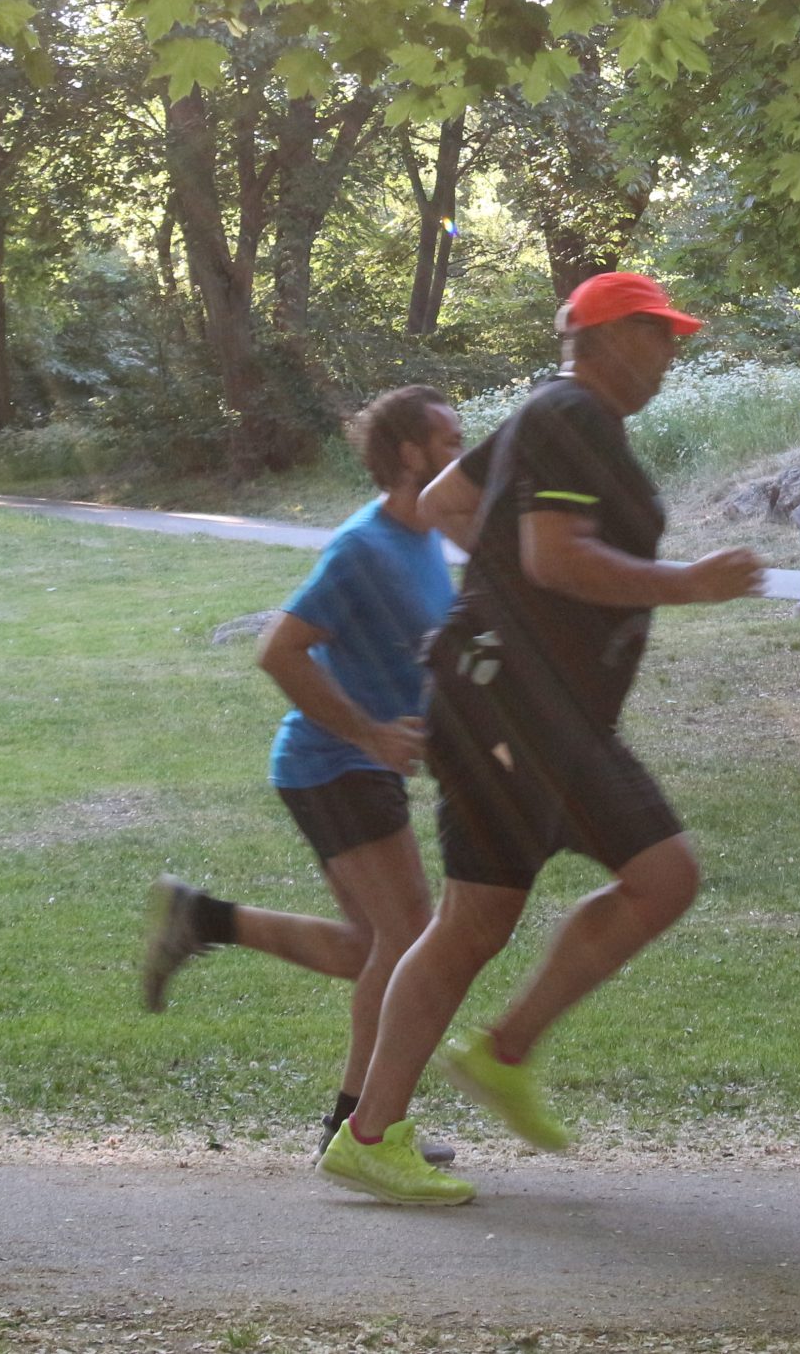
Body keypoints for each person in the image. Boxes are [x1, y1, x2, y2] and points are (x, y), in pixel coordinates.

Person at [319, 272, 763, 1205]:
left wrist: (507, 589)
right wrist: (686, 583)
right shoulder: (573, 414)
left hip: (533, 709)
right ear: (611, 337)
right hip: (513, 709)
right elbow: (553, 555)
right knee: (584, 894)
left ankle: (460, 1078)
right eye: (659, 334)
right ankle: (398, 1115)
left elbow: (445, 500)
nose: (670, 352)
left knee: (534, 906)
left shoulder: (552, 415)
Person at [141, 385, 464, 1164]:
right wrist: (369, 733)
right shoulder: (363, 547)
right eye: (451, 440)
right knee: (407, 940)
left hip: (356, 764)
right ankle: (356, 1129)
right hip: (330, 763)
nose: (465, 452)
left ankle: (204, 918)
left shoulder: (425, 536)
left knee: (370, 949)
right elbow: (277, 649)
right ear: (411, 454)